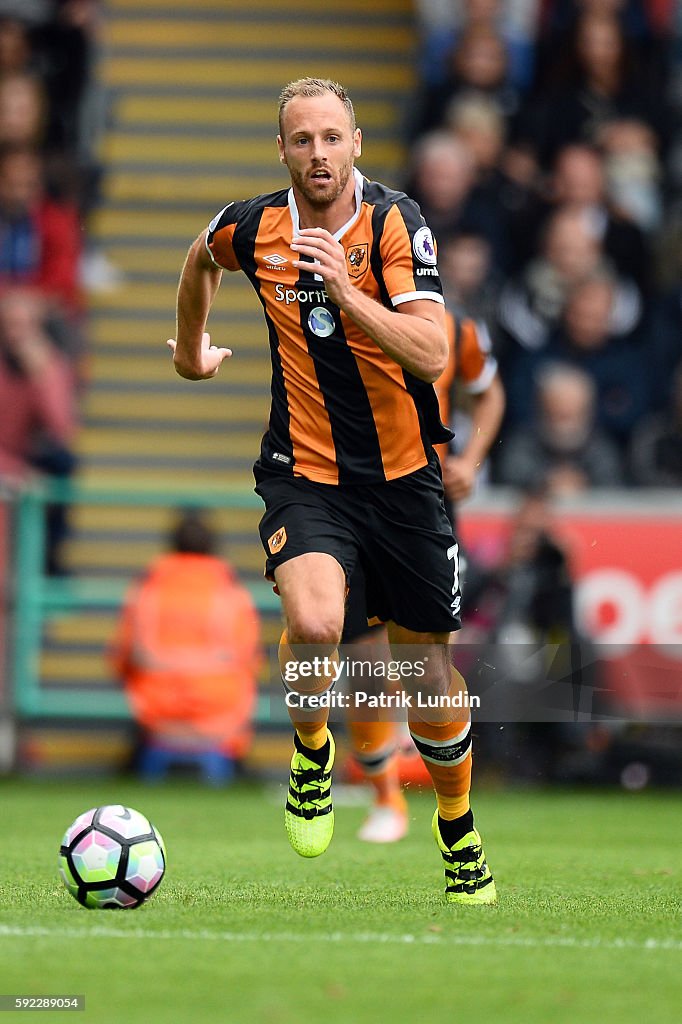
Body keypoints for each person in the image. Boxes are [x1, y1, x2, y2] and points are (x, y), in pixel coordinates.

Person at [168, 77, 496, 904]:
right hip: (303, 474)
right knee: (314, 620)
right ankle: (312, 753)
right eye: (302, 139)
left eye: (331, 138)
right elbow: (202, 252)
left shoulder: (394, 222)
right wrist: (191, 349)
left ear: (356, 145)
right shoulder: (256, 225)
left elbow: (430, 353)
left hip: (404, 481)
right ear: (281, 149)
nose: (318, 153)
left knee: (429, 676)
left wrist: (348, 294)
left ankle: (456, 831)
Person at [346, 308, 505, 843]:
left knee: (428, 657)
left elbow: (490, 393)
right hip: (352, 498)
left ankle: (449, 803)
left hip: (426, 505)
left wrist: (472, 459)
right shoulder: (337, 310)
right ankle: (386, 797)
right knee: (366, 662)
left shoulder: (456, 330)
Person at [111, 510, 261, 784]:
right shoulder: (232, 594)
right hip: (221, 717)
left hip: (156, 716)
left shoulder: (146, 590)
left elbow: (120, 659)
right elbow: (252, 661)